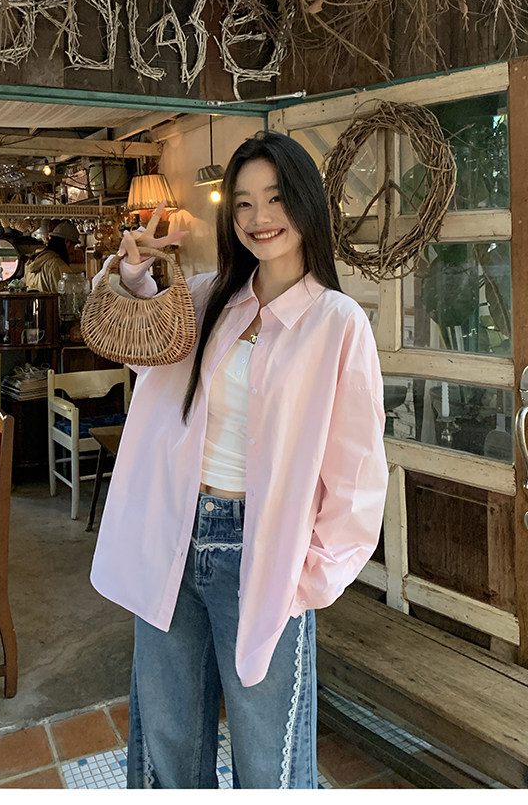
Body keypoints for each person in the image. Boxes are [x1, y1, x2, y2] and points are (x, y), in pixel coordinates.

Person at [89, 130, 389, 789]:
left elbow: (359, 478)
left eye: (275, 198)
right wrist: (134, 275)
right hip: (174, 535)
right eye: (244, 202)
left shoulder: (338, 322)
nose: (259, 217)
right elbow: (145, 353)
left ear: (305, 204)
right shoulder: (207, 297)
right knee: (167, 744)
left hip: (264, 554)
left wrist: (308, 580)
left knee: (267, 763)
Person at [24, 220, 80, 292]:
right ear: (67, 242)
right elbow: (66, 296)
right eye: (73, 246)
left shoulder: (33, 261)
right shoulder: (58, 265)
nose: (72, 251)